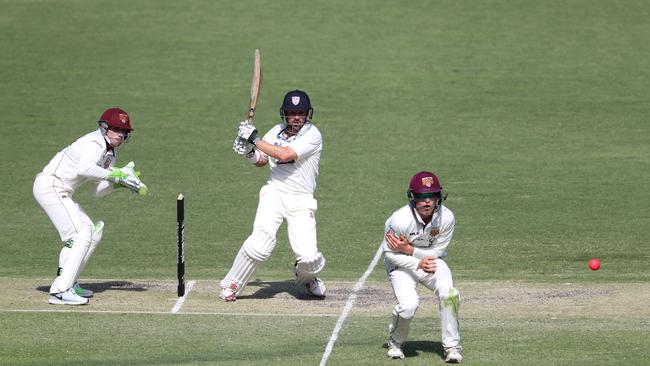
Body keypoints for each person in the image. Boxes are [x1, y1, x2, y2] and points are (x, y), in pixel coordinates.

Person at [33, 107, 146, 305]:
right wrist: (117, 174)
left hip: (61, 191)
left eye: (124, 131)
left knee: (93, 232)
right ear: (104, 128)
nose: (121, 134)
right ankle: (60, 290)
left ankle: (70, 281)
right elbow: (84, 168)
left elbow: (97, 190)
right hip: (50, 185)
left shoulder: (110, 153)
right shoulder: (95, 142)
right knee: (80, 234)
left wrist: (120, 184)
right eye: (116, 129)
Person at [221, 89, 326, 301]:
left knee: (309, 258)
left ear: (308, 113)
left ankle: (306, 276)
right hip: (274, 193)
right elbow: (261, 160)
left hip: (301, 199)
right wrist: (249, 152)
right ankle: (231, 284)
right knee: (260, 245)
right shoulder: (276, 132)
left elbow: (285, 154)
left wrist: (253, 138)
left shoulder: (313, 135)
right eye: (292, 112)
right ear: (284, 113)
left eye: (301, 112)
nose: (296, 117)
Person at [382, 171, 463, 363]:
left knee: (449, 294)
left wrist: (411, 250)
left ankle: (452, 347)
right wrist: (416, 260)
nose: (427, 202)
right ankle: (395, 343)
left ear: (438, 197)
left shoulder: (447, 218)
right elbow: (390, 255)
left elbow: (438, 250)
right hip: (400, 264)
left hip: (428, 260)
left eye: (431, 196)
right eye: (421, 197)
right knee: (409, 305)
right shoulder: (399, 220)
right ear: (413, 198)